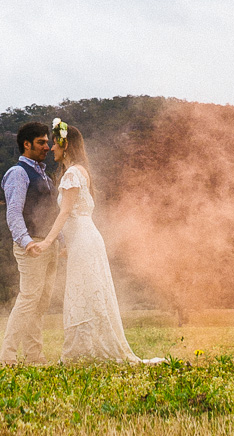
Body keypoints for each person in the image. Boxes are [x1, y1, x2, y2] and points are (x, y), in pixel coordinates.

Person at [29, 119, 162, 364]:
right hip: (85, 240)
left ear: (64, 144)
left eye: (55, 145)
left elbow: (66, 212)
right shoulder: (82, 172)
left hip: (85, 240)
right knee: (87, 292)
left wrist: (48, 242)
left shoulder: (71, 174)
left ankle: (80, 353)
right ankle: (85, 351)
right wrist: (68, 245)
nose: (51, 150)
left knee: (84, 293)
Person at [0, 120, 57, 364]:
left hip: (49, 245)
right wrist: (26, 242)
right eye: (41, 142)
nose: (47, 146)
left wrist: (59, 243)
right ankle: (7, 357)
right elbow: (13, 212)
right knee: (28, 300)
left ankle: (34, 356)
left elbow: (52, 212)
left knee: (41, 303)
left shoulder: (43, 174)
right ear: (27, 144)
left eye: (47, 142)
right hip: (31, 245)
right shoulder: (18, 173)